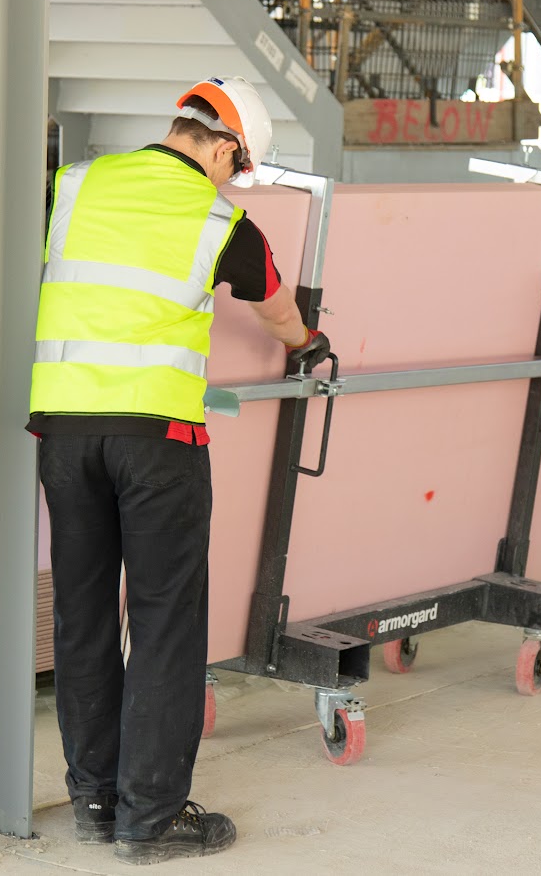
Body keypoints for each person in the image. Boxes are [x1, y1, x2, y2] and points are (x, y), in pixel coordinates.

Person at [30, 76, 331, 865]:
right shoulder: (221, 219)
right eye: (240, 165)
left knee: (84, 617)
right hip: (157, 439)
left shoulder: (76, 183)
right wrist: (308, 343)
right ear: (225, 147)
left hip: (64, 432)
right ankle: (151, 817)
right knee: (164, 620)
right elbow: (277, 309)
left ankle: (96, 801)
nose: (235, 178)